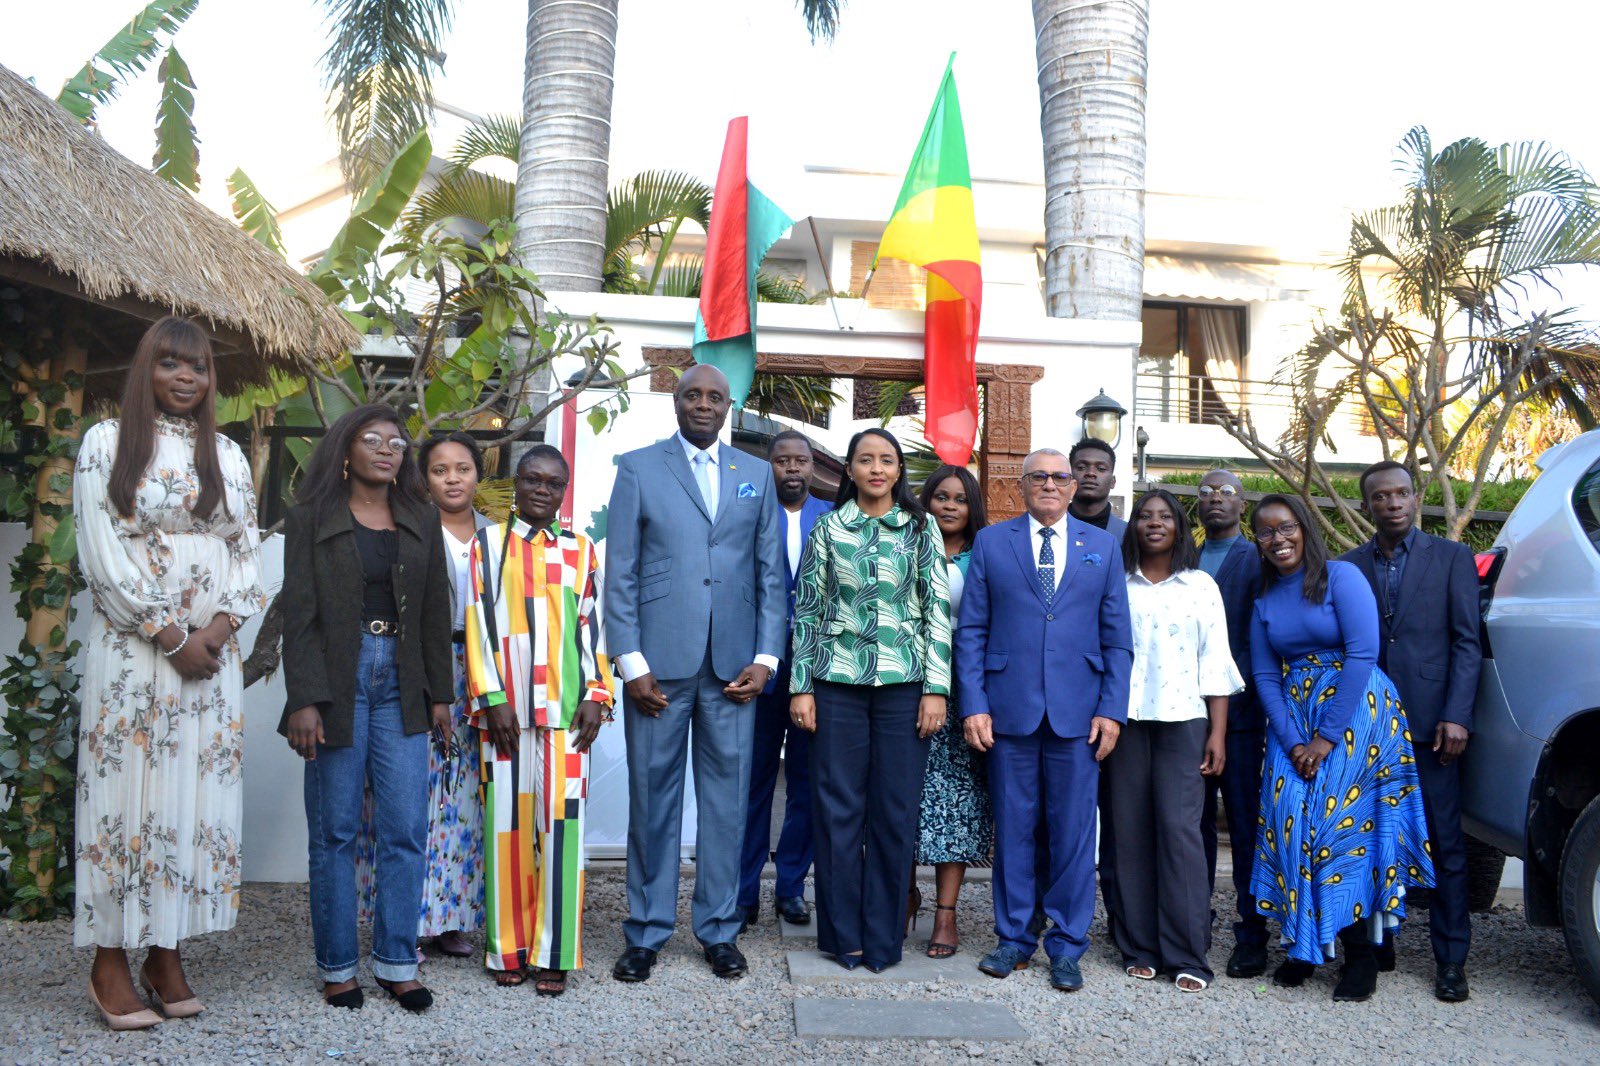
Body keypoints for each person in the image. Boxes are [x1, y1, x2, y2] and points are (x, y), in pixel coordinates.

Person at [73, 317, 265, 1029]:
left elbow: (247, 557)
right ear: (145, 370)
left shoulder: (230, 455)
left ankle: (165, 950)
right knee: (126, 799)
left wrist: (215, 632)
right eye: (171, 364)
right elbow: (101, 552)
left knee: (192, 800)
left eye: (199, 368)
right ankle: (108, 959)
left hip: (209, 660)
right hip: (135, 653)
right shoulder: (106, 444)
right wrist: (168, 631)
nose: (187, 378)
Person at [605, 364, 786, 983]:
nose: (703, 405)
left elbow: (769, 576)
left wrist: (766, 659)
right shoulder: (638, 467)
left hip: (734, 669)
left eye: (714, 396)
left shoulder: (755, 473)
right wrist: (630, 664)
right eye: (692, 395)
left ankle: (717, 929)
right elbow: (621, 572)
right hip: (656, 668)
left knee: (727, 803)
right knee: (652, 800)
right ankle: (647, 931)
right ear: (675, 402)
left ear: (729, 405)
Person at [280, 404, 453, 1013]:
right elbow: (297, 616)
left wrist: (440, 696)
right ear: (346, 450)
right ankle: (337, 967)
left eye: (397, 442)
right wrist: (304, 698)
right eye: (372, 440)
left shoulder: (420, 517)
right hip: (337, 678)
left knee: (406, 828)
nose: (387, 449)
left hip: (403, 682)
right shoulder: (311, 518)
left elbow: (434, 610)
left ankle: (397, 962)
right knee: (335, 831)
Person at [956, 448, 1132, 993]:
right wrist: (974, 703)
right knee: (1012, 829)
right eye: (1040, 477)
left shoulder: (1103, 546)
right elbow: (972, 631)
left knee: (1075, 835)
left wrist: (1111, 709)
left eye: (1060, 477)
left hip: (1079, 716)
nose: (1050, 484)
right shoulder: (992, 542)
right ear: (1023, 486)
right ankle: (1012, 938)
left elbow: (1118, 638)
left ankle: (1067, 943)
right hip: (1008, 711)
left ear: (1074, 486)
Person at [1247, 494, 1434, 1002]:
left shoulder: (1341, 577)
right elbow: (1265, 673)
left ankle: (1361, 956)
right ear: (1258, 542)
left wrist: (1326, 737)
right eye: (1265, 532)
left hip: (1357, 715)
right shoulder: (1264, 599)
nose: (1277, 539)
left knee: (1343, 830)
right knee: (1290, 820)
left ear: (1304, 527)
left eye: (1285, 528)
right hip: (1295, 721)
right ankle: (1305, 945)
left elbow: (1363, 655)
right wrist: (1294, 741)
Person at [789, 428, 951, 973]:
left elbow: (936, 614)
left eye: (886, 460)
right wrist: (801, 687)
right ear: (850, 470)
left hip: (905, 688)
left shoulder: (922, 528)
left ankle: (883, 939)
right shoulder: (828, 530)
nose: (876, 468)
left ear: (899, 469)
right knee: (838, 812)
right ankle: (842, 936)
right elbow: (808, 610)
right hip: (836, 686)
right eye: (865, 460)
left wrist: (935, 689)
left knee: (894, 812)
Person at [465, 444, 615, 996]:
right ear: (517, 482)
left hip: (568, 714)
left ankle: (554, 951)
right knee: (506, 830)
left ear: (564, 490)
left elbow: (593, 627)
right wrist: (490, 696)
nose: (542, 491)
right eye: (532, 480)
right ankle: (507, 946)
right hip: (502, 714)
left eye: (554, 483)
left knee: (562, 833)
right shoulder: (489, 543)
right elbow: (477, 618)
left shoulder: (581, 549)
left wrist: (599, 694)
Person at [1341, 461, 1481, 1003]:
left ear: (1415, 498)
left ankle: (1451, 959)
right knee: (1374, 840)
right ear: (1367, 506)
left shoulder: (1451, 558)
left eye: (1401, 493)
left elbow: (1468, 642)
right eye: (1381, 497)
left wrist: (1458, 715)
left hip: (1432, 725)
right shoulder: (1348, 567)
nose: (1393, 503)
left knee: (1444, 843)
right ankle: (1381, 942)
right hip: (1368, 727)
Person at [1099, 488, 1241, 992]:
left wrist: (1217, 733)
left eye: (1165, 517)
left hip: (1185, 721)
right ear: (1132, 527)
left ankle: (1187, 952)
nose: (1154, 523)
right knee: (1128, 832)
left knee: (1180, 832)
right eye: (1144, 516)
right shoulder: (1116, 584)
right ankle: (1139, 946)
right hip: (1126, 722)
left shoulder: (1201, 585)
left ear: (1181, 528)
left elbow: (1216, 662)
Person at [355, 432, 490, 960]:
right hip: (413, 670)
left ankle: (452, 917)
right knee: (409, 797)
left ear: (479, 475)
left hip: (480, 674)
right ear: (423, 477)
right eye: (439, 470)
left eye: (463, 468)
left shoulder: (497, 536)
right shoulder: (407, 528)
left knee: (465, 801)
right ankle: (405, 918)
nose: (453, 478)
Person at [739, 430, 830, 931]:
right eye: (781, 460)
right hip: (760, 666)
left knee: (808, 782)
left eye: (801, 460)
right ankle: (744, 888)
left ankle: (792, 885)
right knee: (751, 782)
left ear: (813, 467)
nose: (791, 469)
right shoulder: (748, 515)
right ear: (768, 465)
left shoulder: (833, 518)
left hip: (816, 670)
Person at [913, 464, 992, 959]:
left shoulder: (986, 554)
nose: (948, 505)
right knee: (903, 797)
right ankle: (901, 892)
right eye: (940, 496)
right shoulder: (905, 546)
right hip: (906, 685)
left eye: (959, 499)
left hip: (965, 692)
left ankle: (946, 912)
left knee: (956, 804)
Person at [1192, 469, 1269, 978]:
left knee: (1244, 827)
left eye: (1227, 493)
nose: (1216, 500)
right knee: (1191, 829)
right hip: (1184, 715)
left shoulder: (1257, 559)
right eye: (1206, 493)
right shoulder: (1185, 557)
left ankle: (1252, 934)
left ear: (1243, 505)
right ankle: (1192, 925)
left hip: (1241, 718)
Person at [1066, 437, 1127, 543]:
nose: (1090, 473)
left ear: (1113, 481)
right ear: (1069, 477)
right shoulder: (1049, 529)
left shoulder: (1128, 534)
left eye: (1101, 469)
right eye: (1081, 467)